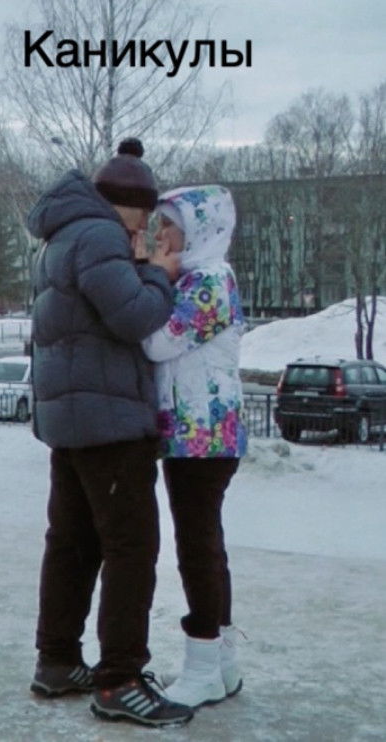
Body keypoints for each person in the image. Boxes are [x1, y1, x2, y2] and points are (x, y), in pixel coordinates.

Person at [26, 138, 194, 728]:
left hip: (71, 422)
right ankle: (120, 679)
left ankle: (57, 661)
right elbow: (134, 316)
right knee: (132, 548)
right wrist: (160, 274)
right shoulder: (100, 236)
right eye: (144, 216)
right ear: (127, 205)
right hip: (111, 425)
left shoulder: (60, 237)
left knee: (71, 544)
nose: (145, 228)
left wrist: (138, 267)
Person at [141, 184, 248, 708]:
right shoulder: (199, 278)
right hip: (198, 433)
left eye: (170, 225)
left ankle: (203, 664)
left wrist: (153, 279)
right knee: (206, 541)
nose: (160, 234)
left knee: (196, 547)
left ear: (199, 231)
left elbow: (157, 341)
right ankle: (222, 664)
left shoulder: (208, 281)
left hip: (202, 434)